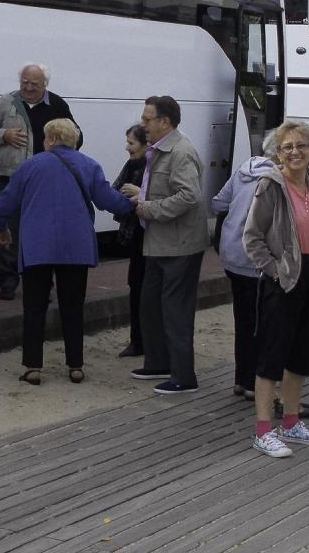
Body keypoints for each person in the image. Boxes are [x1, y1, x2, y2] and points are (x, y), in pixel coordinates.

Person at [0, 119, 133, 386]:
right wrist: (133, 206)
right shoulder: (89, 165)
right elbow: (106, 200)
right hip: (75, 247)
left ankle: (33, 366)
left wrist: (1, 228)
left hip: (37, 246)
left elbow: (6, 202)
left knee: (34, 307)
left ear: (51, 139)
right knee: (73, 305)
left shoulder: (30, 165)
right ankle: (75, 365)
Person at [241, 122, 309, 458]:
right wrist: (276, 272)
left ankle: (292, 422)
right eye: (287, 147)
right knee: (272, 355)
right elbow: (252, 237)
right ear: (277, 152)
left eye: (302, 146)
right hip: (284, 279)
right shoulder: (271, 185)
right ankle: (263, 430)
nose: (295, 152)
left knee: (301, 354)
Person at [124, 95, 207, 395]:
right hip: (159, 243)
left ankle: (184, 376)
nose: (143, 124)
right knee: (151, 306)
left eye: (148, 119)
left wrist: (148, 208)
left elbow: (189, 196)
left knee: (175, 311)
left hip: (179, 246)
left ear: (165, 122)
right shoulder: (159, 150)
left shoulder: (180, 152)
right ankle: (158, 362)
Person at [0, 63, 79, 301]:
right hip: (9, 178)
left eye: (34, 84)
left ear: (45, 84)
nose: (28, 87)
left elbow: (76, 136)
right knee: (6, 231)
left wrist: (60, 146)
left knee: (42, 233)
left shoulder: (57, 105)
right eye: (24, 82)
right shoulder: (6, 102)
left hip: (43, 181)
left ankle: (41, 282)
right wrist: (4, 134)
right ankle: (8, 283)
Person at [212, 132, 279, 400]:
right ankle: (254, 381)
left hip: (231, 253)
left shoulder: (244, 168)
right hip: (256, 258)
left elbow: (218, 202)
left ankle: (241, 378)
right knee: (261, 324)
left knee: (243, 319)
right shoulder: (275, 178)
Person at [111, 124, 149, 358]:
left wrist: (139, 193)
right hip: (134, 233)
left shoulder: (152, 165)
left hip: (149, 234)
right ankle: (137, 340)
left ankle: (142, 340)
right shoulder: (132, 164)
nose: (127, 148)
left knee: (144, 288)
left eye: (131, 143)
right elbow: (116, 189)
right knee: (135, 285)